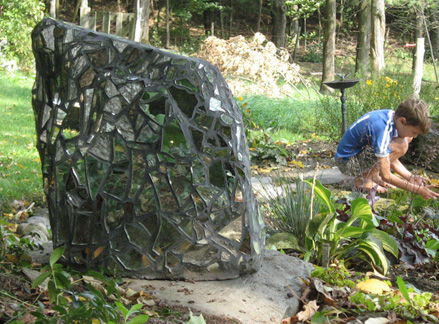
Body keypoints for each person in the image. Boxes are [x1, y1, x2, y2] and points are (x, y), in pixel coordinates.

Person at [335, 98, 439, 200]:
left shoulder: (392, 117)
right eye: (414, 132)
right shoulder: (383, 129)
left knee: (405, 140)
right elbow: (387, 176)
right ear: (403, 121)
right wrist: (417, 190)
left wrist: (410, 177)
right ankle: (362, 180)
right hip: (347, 163)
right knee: (401, 144)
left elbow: (388, 157)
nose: (415, 136)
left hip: (357, 154)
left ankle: (374, 177)